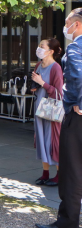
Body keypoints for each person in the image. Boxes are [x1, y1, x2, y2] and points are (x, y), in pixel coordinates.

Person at [36, 9, 82, 228]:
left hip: (77, 117)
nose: (66, 28)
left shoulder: (76, 47)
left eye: (68, 23)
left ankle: (68, 222)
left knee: (72, 171)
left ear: (77, 25)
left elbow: (80, 75)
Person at [30, 38, 63, 187]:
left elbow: (59, 93)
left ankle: (59, 175)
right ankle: (45, 174)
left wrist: (42, 83)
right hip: (39, 108)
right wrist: (35, 85)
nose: (39, 48)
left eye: (42, 46)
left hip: (51, 110)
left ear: (50, 51)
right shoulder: (38, 65)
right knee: (42, 141)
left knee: (52, 142)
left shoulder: (56, 68)